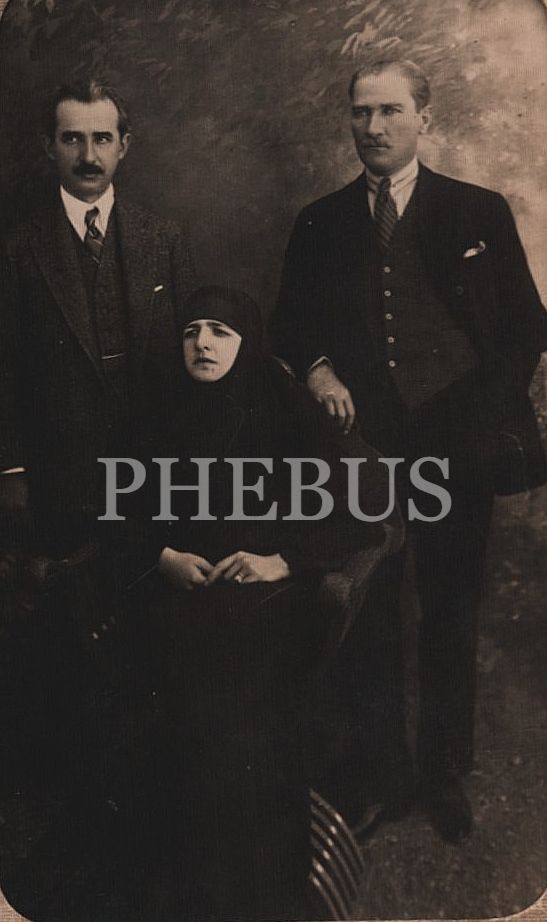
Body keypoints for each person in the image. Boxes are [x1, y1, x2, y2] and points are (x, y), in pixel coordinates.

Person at [270, 59, 547, 841]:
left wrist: (480, 414)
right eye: (361, 113)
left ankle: (442, 771)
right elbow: (289, 323)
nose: (374, 128)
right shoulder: (320, 221)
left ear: (425, 118)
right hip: (364, 450)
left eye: (390, 111)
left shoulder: (476, 211)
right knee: (369, 605)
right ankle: (380, 772)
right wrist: (319, 370)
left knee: (449, 607)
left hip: (455, 447)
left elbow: (526, 326)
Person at [125, 285, 399, 921]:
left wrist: (281, 559)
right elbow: (122, 509)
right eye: (191, 331)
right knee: (174, 723)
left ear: (245, 342)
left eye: (220, 331)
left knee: (245, 727)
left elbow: (361, 511)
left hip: (267, 604)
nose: (202, 343)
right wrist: (163, 557)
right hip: (181, 600)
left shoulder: (281, 404)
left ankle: (265, 897)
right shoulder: (158, 406)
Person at [0, 78, 194, 919]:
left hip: (150, 484)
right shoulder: (18, 251)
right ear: (49, 147)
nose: (88, 155)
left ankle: (149, 824)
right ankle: (88, 825)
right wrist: (12, 481)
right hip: (64, 486)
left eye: (101, 138)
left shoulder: (161, 239)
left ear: (125, 145)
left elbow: (191, 365)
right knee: (78, 646)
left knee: (153, 640)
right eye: (72, 139)